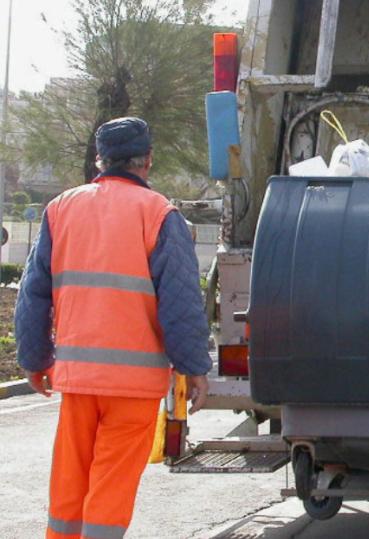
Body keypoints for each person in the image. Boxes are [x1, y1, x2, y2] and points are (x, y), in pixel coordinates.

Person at [14, 117, 212, 539]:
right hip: (134, 386)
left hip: (78, 379)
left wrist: (33, 359)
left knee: (70, 483)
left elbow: (33, 293)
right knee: (110, 488)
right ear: (148, 161)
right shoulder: (159, 214)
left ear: (99, 160)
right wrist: (194, 367)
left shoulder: (60, 208)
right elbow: (181, 302)